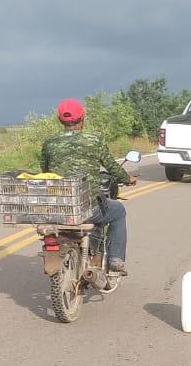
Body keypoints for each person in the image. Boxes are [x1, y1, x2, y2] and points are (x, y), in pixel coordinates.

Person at [40, 99, 135, 275]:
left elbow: (45, 170)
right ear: (82, 118)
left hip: (58, 206)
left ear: (60, 120)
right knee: (118, 211)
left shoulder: (49, 143)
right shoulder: (94, 140)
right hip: (88, 207)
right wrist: (127, 178)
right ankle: (115, 259)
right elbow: (111, 166)